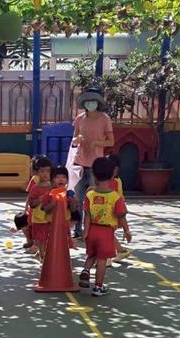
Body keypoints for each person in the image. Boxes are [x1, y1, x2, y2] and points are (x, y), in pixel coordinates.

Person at [80, 156, 131, 296]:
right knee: (102, 260)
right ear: (113, 174)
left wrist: (85, 231)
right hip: (106, 232)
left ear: (94, 175)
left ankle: (85, 270)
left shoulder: (90, 195)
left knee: (91, 255)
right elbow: (121, 216)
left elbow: (87, 214)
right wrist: (126, 231)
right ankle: (98, 286)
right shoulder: (115, 197)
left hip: (92, 230)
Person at [70, 88, 114, 239]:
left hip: (96, 165)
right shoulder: (79, 118)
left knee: (94, 199)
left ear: (98, 102)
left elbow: (111, 141)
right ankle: (77, 230)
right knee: (78, 198)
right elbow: (74, 140)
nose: (90, 104)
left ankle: (92, 229)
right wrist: (77, 140)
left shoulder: (104, 119)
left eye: (93, 101)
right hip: (79, 163)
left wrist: (96, 143)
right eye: (88, 101)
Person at [25, 155, 54, 258]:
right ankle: (42, 257)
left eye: (48, 171)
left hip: (51, 218)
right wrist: (41, 199)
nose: (45, 174)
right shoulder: (35, 188)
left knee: (49, 238)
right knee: (40, 239)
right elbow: (31, 203)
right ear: (37, 172)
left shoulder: (53, 187)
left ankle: (46, 254)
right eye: (42, 171)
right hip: (39, 219)